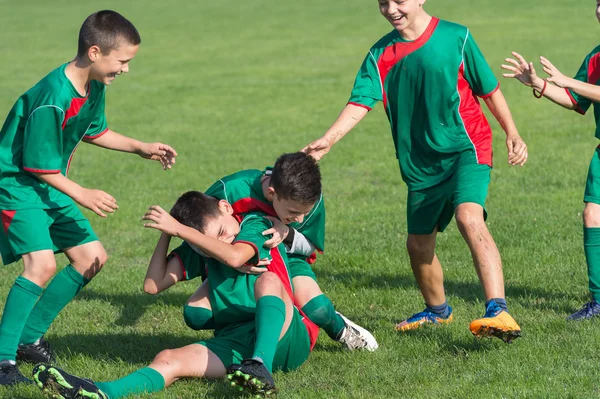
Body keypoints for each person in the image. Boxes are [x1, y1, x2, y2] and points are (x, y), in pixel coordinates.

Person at [302, 0, 528, 342]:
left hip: (466, 147)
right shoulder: (380, 54)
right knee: (418, 246)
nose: (392, 8)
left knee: (469, 217)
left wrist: (512, 132)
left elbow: (489, 91)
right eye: (383, 2)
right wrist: (328, 140)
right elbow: (361, 100)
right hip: (420, 164)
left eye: (399, 0)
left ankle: (498, 310)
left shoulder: (456, 37)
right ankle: (438, 311)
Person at [0, 10, 177, 385]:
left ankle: (28, 340)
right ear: (95, 52)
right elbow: (35, 164)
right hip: (17, 185)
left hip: (47, 182)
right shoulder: (52, 95)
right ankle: (2, 361)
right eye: (123, 61)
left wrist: (139, 147)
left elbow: (94, 130)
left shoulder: (94, 86)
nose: (126, 69)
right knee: (41, 266)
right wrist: (82, 192)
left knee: (92, 257)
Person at [33, 191, 315, 398]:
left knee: (268, 281)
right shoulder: (201, 250)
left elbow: (233, 255)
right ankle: (100, 391)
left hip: (286, 335)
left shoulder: (252, 225)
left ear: (226, 208)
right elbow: (152, 285)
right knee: (168, 358)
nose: (220, 242)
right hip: (237, 343)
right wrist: (167, 233)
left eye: (222, 231)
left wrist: (181, 230)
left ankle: (260, 366)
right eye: (206, 242)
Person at [204, 152, 378, 350]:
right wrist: (232, 258)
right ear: (271, 194)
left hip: (290, 259)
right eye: (294, 212)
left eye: (305, 212)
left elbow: (310, 247)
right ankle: (238, 335)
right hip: (238, 266)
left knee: (318, 310)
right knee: (197, 314)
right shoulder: (231, 189)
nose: (301, 219)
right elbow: (199, 230)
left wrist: (287, 232)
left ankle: (342, 330)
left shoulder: (309, 198)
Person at [501, 1, 600, 320]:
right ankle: (599, 301)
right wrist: (539, 84)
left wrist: (568, 80)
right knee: (592, 215)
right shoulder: (596, 56)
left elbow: (574, 87)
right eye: (599, 4)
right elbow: (575, 100)